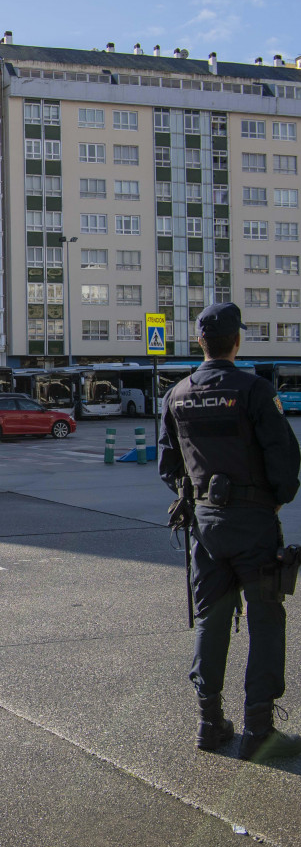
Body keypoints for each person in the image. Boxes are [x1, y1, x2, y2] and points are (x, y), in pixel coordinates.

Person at [159, 302, 301, 762]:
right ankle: (259, 729)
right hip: (254, 523)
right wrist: (277, 497)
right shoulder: (255, 390)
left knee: (211, 620)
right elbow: (284, 454)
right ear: (236, 341)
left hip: (205, 526)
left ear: (200, 340)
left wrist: (197, 494)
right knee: (264, 621)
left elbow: (168, 466)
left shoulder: (176, 394)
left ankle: (209, 722)